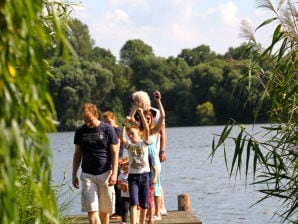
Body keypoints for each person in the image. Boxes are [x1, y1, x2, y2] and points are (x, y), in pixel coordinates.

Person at [72, 103, 119, 224]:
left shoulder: (108, 129)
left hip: (105, 174)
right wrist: (74, 174)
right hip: (88, 175)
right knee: (91, 209)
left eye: (90, 120)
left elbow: (115, 153)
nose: (88, 123)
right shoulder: (80, 131)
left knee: (104, 210)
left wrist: (114, 174)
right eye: (85, 120)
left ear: (96, 115)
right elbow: (77, 154)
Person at [131, 90, 168, 217]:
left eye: (149, 118)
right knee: (146, 189)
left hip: (154, 161)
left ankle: (157, 213)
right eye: (144, 119)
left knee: (156, 187)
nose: (146, 120)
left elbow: (162, 116)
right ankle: (147, 214)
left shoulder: (154, 131)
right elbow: (131, 119)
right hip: (143, 161)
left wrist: (158, 101)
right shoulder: (141, 131)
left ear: (151, 119)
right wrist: (136, 108)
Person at [120, 107, 151, 224]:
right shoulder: (129, 146)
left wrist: (141, 114)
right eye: (129, 135)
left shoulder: (144, 143)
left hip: (144, 176)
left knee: (144, 204)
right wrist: (124, 124)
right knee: (133, 202)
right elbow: (122, 138)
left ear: (140, 135)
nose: (130, 136)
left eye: (132, 134)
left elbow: (147, 129)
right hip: (132, 177)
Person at [102, 111, 124, 220]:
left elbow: (118, 146)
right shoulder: (106, 130)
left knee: (117, 187)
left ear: (114, 119)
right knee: (112, 187)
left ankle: (119, 212)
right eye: (105, 123)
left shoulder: (117, 130)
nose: (108, 124)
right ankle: (113, 210)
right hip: (109, 160)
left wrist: (119, 159)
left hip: (117, 160)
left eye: (109, 122)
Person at [117, 157, 130, 224]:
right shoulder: (121, 175)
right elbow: (118, 185)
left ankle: (135, 219)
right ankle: (124, 221)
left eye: (127, 164)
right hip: (124, 195)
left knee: (134, 208)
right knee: (125, 208)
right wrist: (121, 186)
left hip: (132, 195)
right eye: (124, 165)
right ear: (121, 167)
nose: (126, 167)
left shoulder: (132, 174)